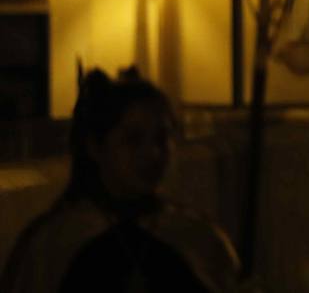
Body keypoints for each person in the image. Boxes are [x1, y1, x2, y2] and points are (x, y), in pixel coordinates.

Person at [0, 68, 240, 293]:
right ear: (95, 146)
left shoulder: (195, 236)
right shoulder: (54, 244)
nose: (154, 153)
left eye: (162, 137)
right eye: (133, 140)